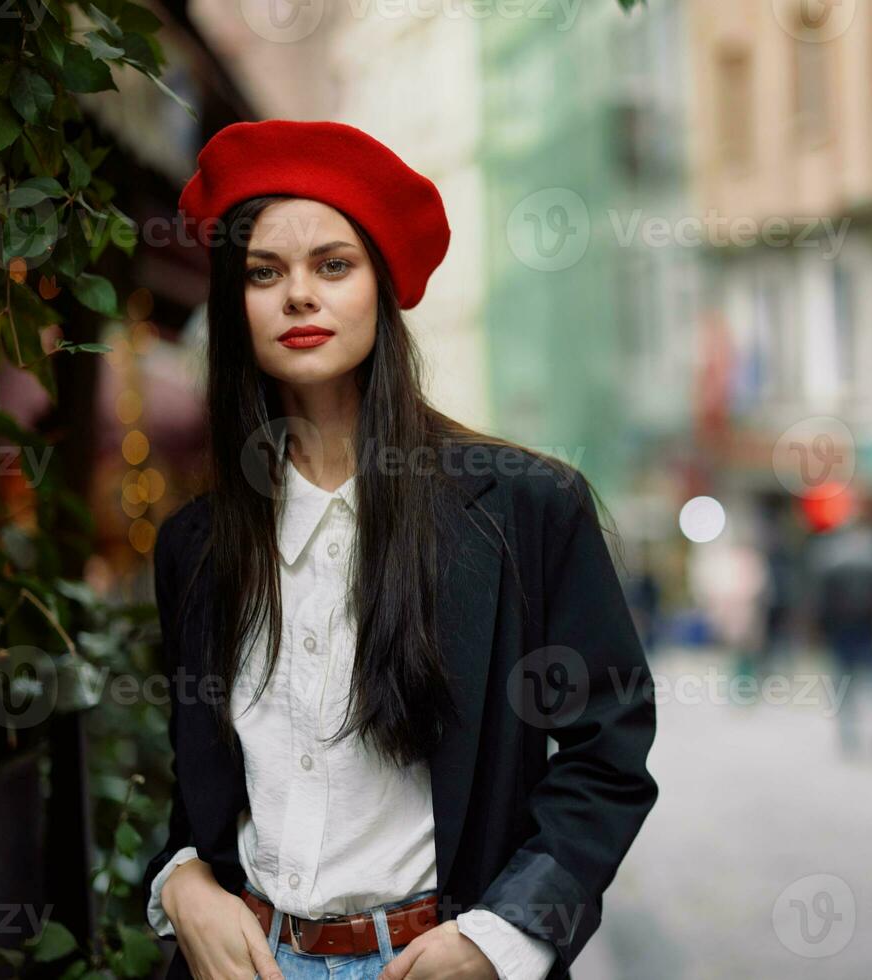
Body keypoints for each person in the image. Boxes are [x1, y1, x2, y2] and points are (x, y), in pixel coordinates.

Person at [143, 120, 659, 980]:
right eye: (265, 273)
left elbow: (608, 760)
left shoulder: (523, 508)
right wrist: (183, 878)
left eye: (333, 265)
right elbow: (205, 785)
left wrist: (502, 938)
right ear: (235, 303)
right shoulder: (195, 546)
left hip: (434, 963)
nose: (298, 295)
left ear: (382, 288)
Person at [805, 493, 872, 759]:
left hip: (841, 629)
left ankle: (850, 733)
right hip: (869, 626)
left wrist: (817, 629)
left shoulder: (827, 552)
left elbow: (819, 598)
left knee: (845, 683)